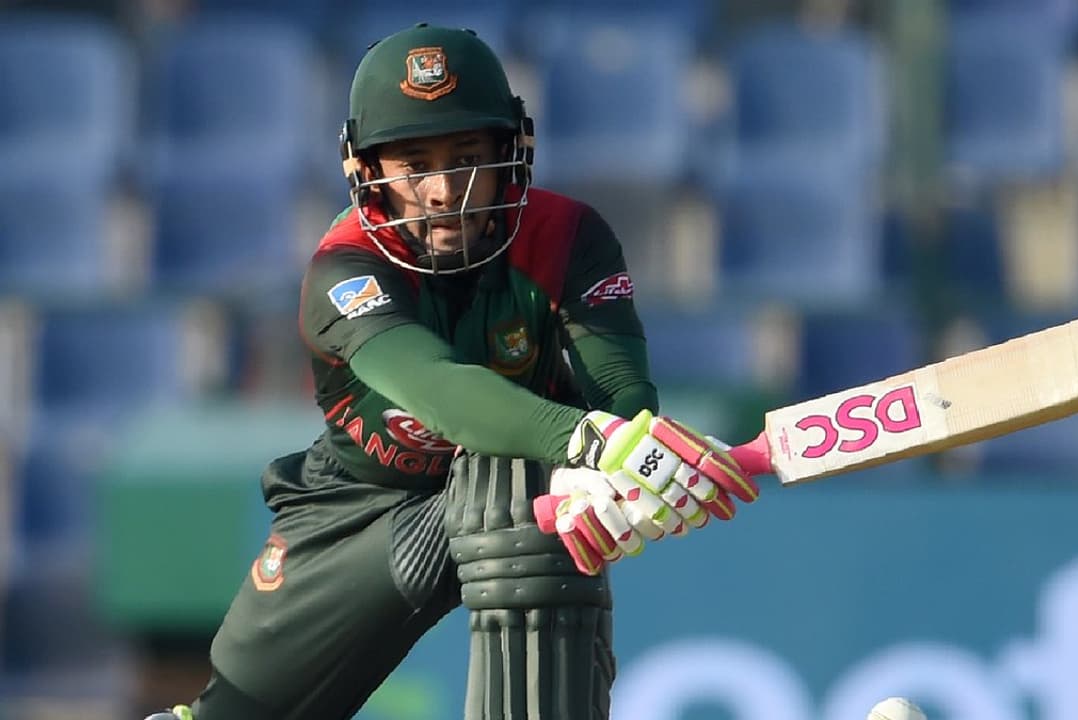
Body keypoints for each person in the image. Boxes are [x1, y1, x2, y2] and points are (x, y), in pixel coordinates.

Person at [145, 22, 761, 720]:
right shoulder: (343, 269)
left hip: (530, 488)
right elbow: (439, 389)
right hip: (361, 507)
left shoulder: (568, 236)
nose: (444, 191)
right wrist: (596, 443)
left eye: (467, 159)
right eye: (415, 165)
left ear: (508, 154)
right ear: (368, 172)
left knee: (519, 501)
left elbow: (619, 391)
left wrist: (632, 461)